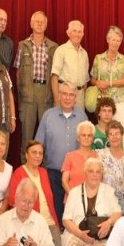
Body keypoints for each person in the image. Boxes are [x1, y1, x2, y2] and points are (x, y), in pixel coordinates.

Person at [8, 140, 62, 246]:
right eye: (34, 152)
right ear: (26, 154)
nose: (38, 156)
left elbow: (49, 200)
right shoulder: (19, 173)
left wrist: (55, 221)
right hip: (33, 221)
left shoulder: (44, 173)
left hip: (50, 220)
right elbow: (12, 199)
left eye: (40, 153)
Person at [35, 82, 88, 224]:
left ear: (75, 98)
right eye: (64, 94)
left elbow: (88, 145)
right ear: (59, 95)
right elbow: (38, 144)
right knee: (56, 210)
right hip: (53, 173)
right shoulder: (48, 116)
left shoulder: (82, 116)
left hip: (76, 174)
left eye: (71, 95)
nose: (67, 98)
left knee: (76, 210)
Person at [14, 11, 59, 163]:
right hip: (28, 96)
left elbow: (56, 75)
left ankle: (44, 173)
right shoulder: (22, 45)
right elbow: (18, 73)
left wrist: (55, 98)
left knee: (46, 137)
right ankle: (24, 171)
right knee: (27, 137)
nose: (39, 24)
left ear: (46, 25)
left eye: (42, 22)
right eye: (37, 21)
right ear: (31, 24)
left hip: (46, 96)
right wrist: (20, 99)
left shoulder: (54, 47)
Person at [90, 26, 124, 147]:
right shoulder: (98, 58)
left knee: (122, 136)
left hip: (119, 102)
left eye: (118, 40)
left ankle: (123, 163)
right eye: (113, 40)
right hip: (103, 102)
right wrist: (98, 83)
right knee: (104, 134)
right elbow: (92, 78)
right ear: (108, 40)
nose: (115, 43)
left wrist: (107, 83)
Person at [51, 19, 89, 109]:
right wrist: (57, 99)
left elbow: (86, 80)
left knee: (79, 122)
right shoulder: (61, 50)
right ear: (68, 33)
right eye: (74, 31)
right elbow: (54, 77)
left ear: (83, 34)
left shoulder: (84, 53)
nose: (77, 34)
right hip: (64, 96)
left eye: (80, 32)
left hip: (79, 97)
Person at [97, 120, 124, 213]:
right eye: (111, 134)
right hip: (106, 204)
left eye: (117, 133)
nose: (114, 137)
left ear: (122, 136)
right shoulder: (100, 155)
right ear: (107, 137)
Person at [61, 121, 99, 195]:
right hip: (73, 200)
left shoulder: (98, 157)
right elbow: (64, 181)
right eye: (83, 135)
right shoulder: (70, 156)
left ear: (93, 139)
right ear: (78, 138)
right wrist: (73, 197)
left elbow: (100, 180)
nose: (86, 138)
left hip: (93, 200)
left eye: (89, 135)